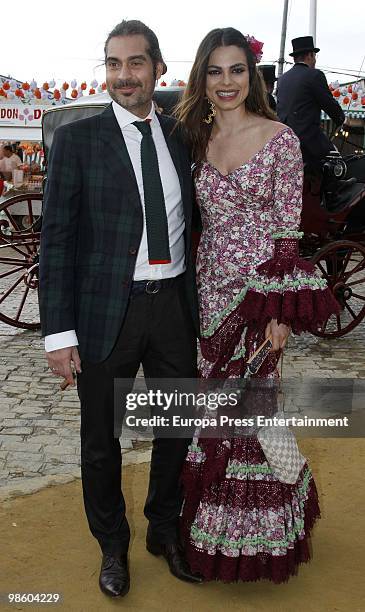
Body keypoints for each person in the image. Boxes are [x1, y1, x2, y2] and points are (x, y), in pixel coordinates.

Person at [39, 19, 202, 599]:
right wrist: (57, 333)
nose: (124, 75)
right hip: (107, 315)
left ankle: (163, 528)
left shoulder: (184, 137)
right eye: (113, 63)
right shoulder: (78, 142)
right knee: (101, 442)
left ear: (159, 68)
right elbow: (54, 241)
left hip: (174, 309)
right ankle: (113, 545)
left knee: (176, 429)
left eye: (135, 63)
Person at [175, 27, 339, 583]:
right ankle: (216, 531)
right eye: (215, 71)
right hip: (209, 298)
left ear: (254, 75)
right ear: (202, 77)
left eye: (237, 70)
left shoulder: (281, 139)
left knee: (257, 413)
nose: (226, 83)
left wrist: (279, 314)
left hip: (259, 300)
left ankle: (267, 532)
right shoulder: (191, 141)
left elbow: (287, 237)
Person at [276, 36, 345, 168]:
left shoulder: (282, 79)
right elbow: (328, 103)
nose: (314, 61)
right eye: (314, 56)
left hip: (284, 140)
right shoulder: (314, 75)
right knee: (337, 162)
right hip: (307, 141)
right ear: (309, 55)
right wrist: (341, 118)